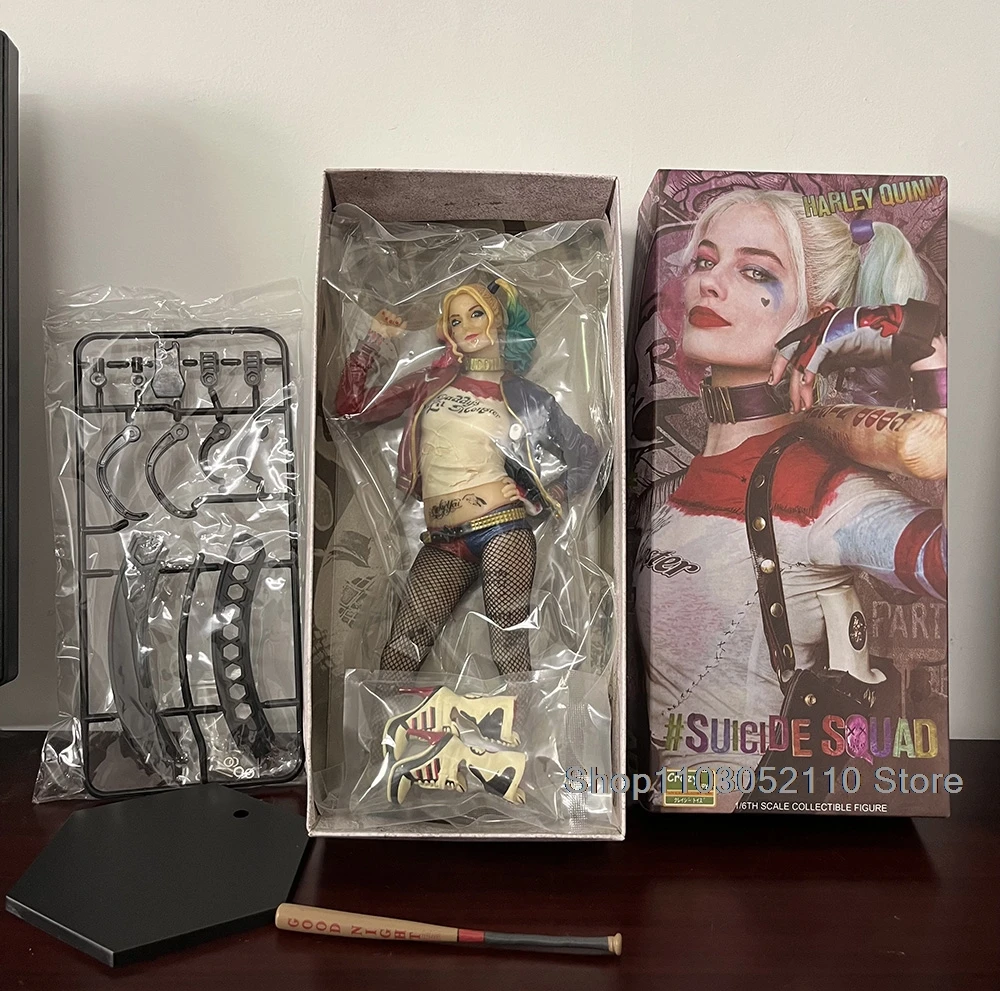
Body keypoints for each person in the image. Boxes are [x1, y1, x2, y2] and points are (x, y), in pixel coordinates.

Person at [634, 190, 947, 803]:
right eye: (705, 261)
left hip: (746, 830)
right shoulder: (669, 487)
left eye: (756, 272)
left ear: (818, 319)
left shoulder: (822, 494)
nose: (709, 283)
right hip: (651, 820)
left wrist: (919, 344)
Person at [333, 278, 603, 677]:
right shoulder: (429, 382)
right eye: (455, 320)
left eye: (476, 313)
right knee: (402, 648)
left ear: (498, 320)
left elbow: (587, 455)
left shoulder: (526, 395)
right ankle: (389, 720)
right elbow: (352, 409)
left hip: (502, 528)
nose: (466, 326)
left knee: (508, 645)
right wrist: (373, 340)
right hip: (444, 538)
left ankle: (519, 719)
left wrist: (545, 496)